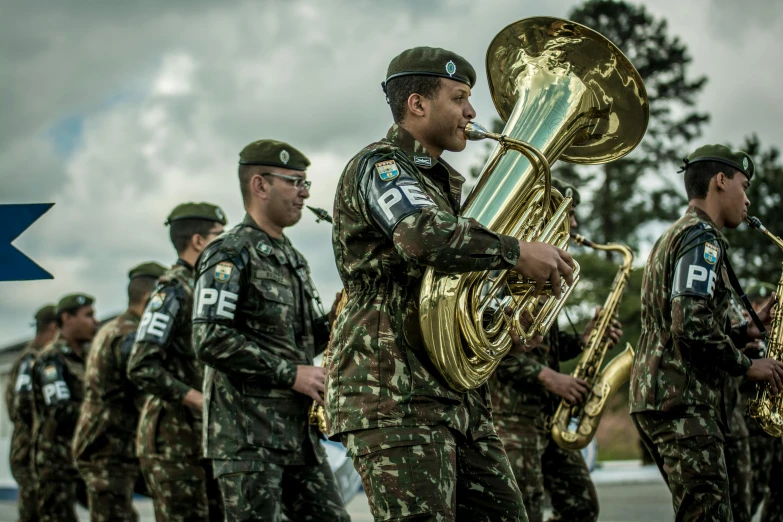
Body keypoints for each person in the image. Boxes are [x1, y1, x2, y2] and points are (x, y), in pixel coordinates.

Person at [326, 46, 575, 522]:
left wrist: (510, 304)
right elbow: (420, 237)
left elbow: (447, 286)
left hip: (454, 398)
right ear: (417, 104)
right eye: (459, 97)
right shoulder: (381, 165)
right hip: (393, 394)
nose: (472, 112)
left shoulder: (440, 183)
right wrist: (515, 252)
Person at [192, 139, 349, 521]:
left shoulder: (291, 256)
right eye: (295, 181)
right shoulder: (228, 252)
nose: (305, 192)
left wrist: (347, 306)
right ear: (260, 185)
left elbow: (308, 337)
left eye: (306, 182)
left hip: (299, 437)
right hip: (247, 441)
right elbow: (209, 338)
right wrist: (291, 373)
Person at [630, 144, 783, 521]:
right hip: (683, 402)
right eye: (743, 186)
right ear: (720, 181)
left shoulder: (676, 235)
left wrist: (740, 329)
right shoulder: (702, 238)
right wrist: (748, 365)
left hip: (667, 398)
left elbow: (678, 319)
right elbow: (691, 324)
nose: (747, 200)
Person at [490, 179, 621, 522]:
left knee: (581, 506)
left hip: (550, 417)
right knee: (526, 511)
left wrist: (583, 340)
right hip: (512, 421)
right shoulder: (504, 271)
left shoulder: (544, 273)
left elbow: (540, 345)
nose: (575, 224)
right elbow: (493, 348)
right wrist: (549, 377)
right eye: (570, 214)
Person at [128, 203, 226, 522]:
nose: (226, 244)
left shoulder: (205, 285)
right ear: (198, 241)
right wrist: (196, 398)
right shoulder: (173, 288)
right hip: (173, 440)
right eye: (218, 236)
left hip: (203, 436)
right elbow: (142, 364)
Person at [73, 262, 167, 522]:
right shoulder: (129, 335)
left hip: (107, 443)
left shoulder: (115, 328)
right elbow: (144, 388)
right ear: (150, 299)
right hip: (108, 447)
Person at [32, 294, 98, 522]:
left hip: (85, 457)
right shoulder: (52, 359)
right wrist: (101, 415)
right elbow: (60, 410)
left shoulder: (88, 357)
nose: (95, 322)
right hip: (57, 463)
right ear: (67, 318)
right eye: (88, 316)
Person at [5, 304, 58, 522]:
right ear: (54, 327)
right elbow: (20, 406)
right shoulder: (31, 360)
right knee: (32, 513)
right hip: (29, 451)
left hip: (39, 450)